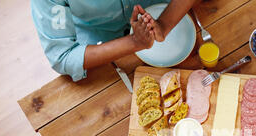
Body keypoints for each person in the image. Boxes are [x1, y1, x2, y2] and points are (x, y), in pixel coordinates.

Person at [31, 0, 197, 81]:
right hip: (104, 45)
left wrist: (164, 23)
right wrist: (134, 42)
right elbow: (62, 56)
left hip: (173, 14)